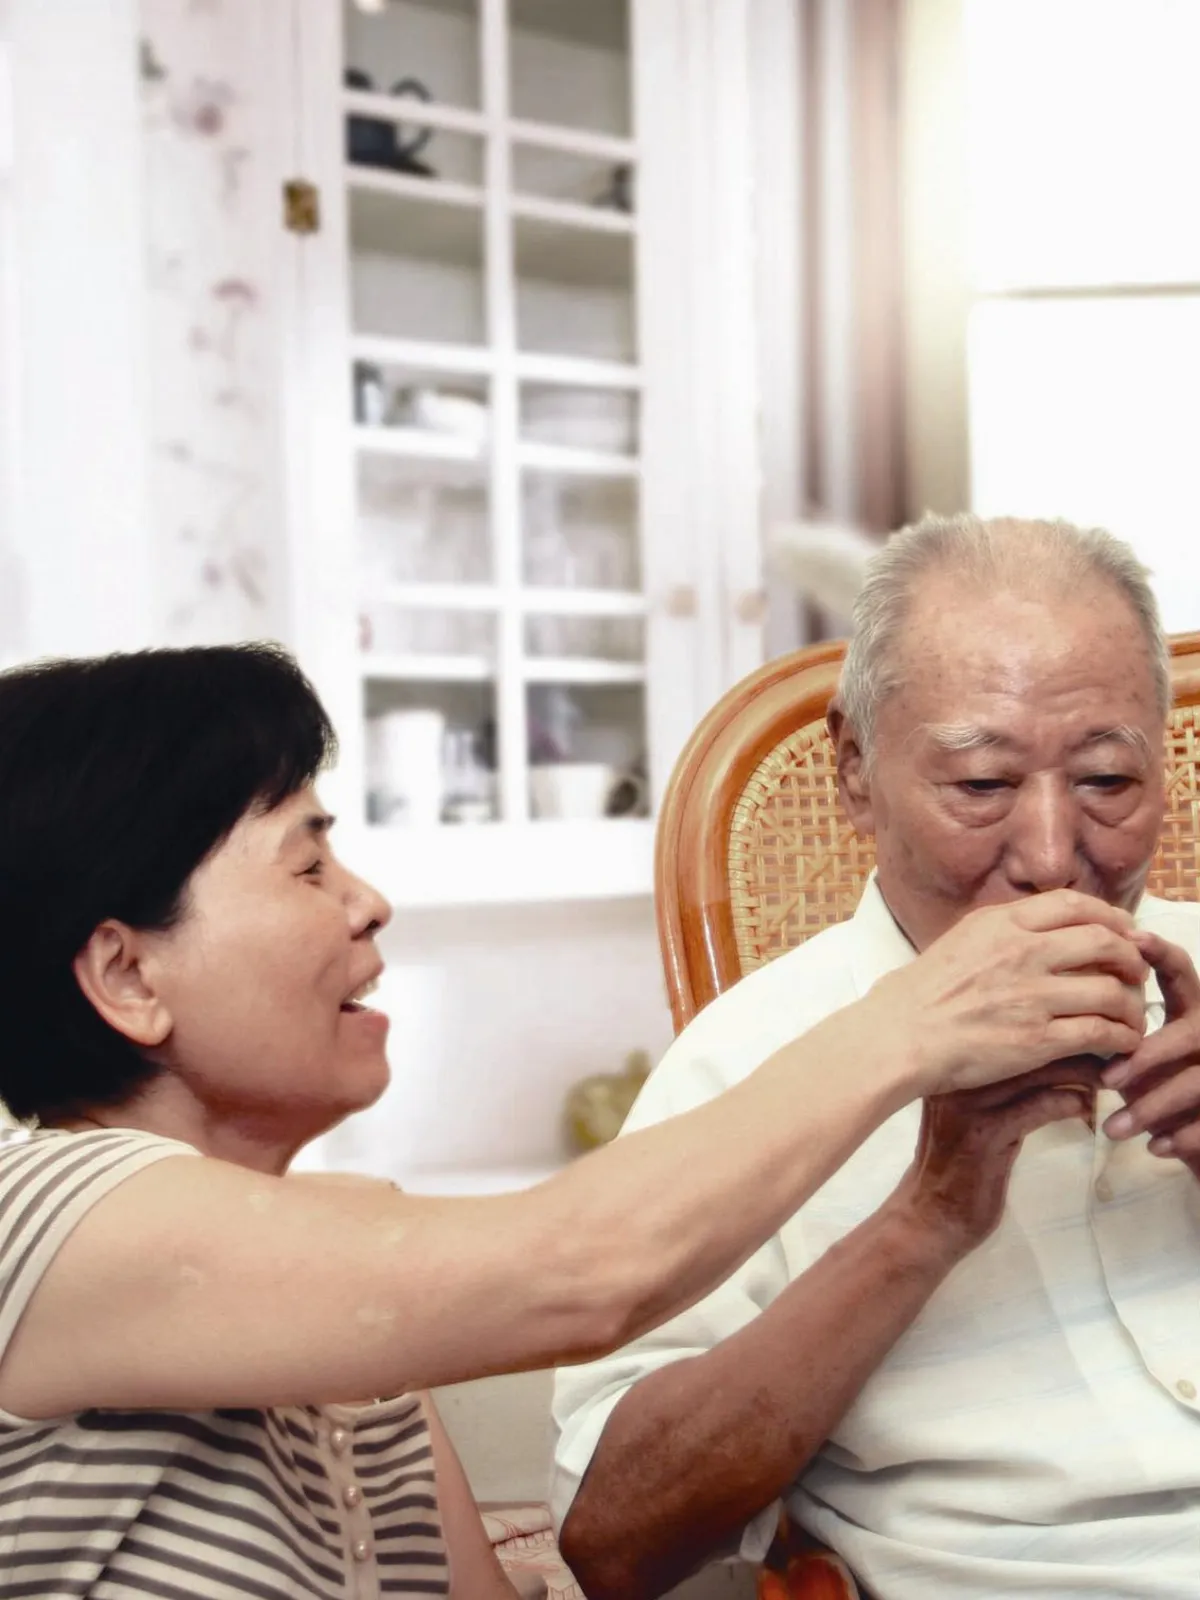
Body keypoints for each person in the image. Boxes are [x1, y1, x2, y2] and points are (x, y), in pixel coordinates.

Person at [0, 642, 1141, 1600]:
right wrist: (917, 1015)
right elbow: (588, 1268)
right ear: (126, 974)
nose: (366, 901)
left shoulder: (350, 1299)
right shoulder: (44, 1214)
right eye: (307, 865)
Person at [552, 514, 1200, 1600]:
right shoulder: (753, 1062)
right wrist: (927, 1217)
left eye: (1105, 780)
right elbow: (613, 1540)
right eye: (982, 787)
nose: (1052, 858)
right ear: (855, 775)